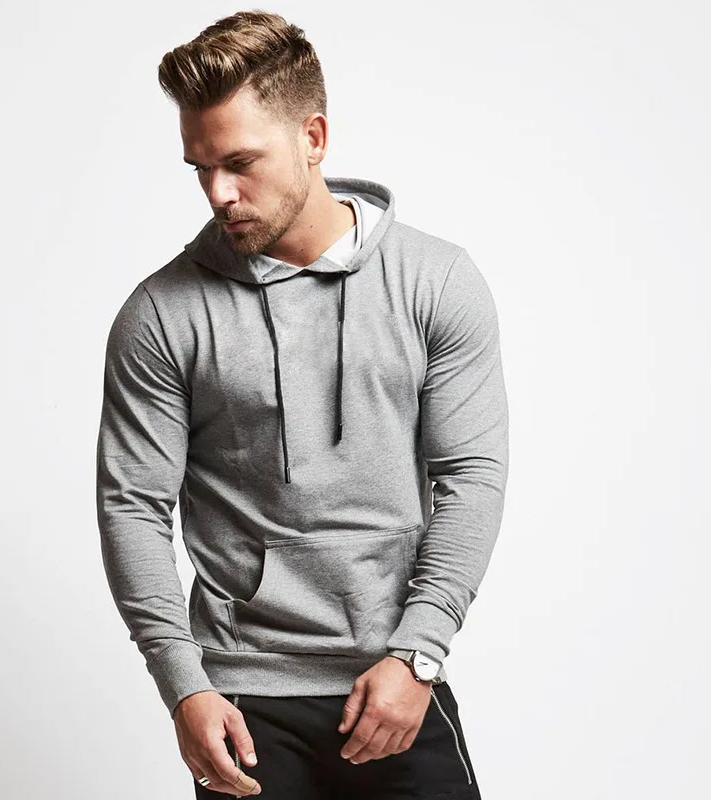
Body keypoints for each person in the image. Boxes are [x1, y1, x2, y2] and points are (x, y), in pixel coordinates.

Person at [95, 9, 509, 800]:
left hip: (395, 681)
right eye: (200, 168)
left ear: (313, 138)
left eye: (240, 163)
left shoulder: (436, 283)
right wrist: (183, 686)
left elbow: (471, 480)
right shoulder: (162, 314)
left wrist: (419, 652)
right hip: (241, 698)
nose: (219, 193)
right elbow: (132, 506)